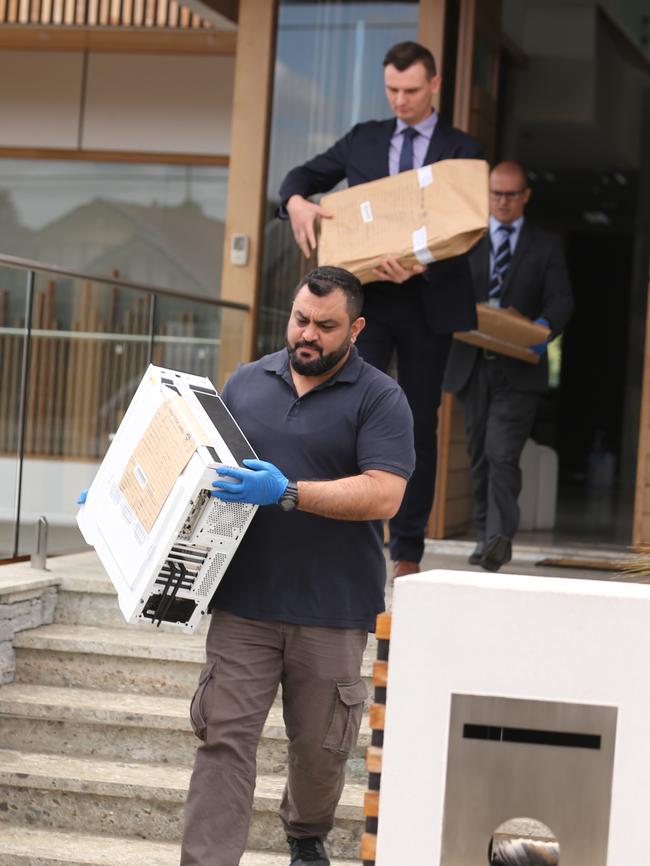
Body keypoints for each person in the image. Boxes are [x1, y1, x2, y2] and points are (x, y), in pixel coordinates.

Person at [180, 266, 415, 866]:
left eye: (326, 326)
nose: (307, 335)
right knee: (224, 740)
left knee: (320, 750)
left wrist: (290, 491)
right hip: (244, 600)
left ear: (356, 328)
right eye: (300, 319)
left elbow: (385, 493)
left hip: (333, 607)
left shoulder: (381, 397)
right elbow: (201, 467)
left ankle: (306, 835)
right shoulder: (244, 382)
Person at [278, 40, 483, 579]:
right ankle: (344, 524)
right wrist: (296, 201)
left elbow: (474, 235)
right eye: (392, 89)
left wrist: (425, 264)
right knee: (345, 409)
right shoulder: (363, 139)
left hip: (428, 302)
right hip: (365, 301)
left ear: (434, 85)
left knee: (419, 422)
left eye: (411, 90)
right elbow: (299, 179)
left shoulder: (463, 150)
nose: (400, 99)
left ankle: (407, 552)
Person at [442, 161, 573, 571]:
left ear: (525, 196)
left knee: (502, 453)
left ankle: (500, 537)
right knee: (480, 455)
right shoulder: (468, 239)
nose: (503, 201)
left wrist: (540, 328)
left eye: (511, 194)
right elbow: (444, 290)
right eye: (496, 194)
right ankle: (485, 534)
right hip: (472, 363)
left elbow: (562, 300)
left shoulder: (546, 245)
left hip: (519, 366)